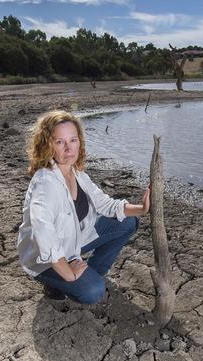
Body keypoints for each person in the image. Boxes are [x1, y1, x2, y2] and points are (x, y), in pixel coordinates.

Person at [17, 110, 150, 304]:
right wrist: (69, 274)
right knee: (94, 291)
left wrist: (142, 208)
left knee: (128, 221)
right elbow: (43, 234)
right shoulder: (45, 183)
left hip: (72, 243)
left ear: (79, 141)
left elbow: (106, 205)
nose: (69, 149)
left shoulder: (77, 174)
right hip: (44, 259)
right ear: (47, 145)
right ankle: (58, 282)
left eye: (73, 140)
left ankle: (91, 272)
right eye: (59, 142)